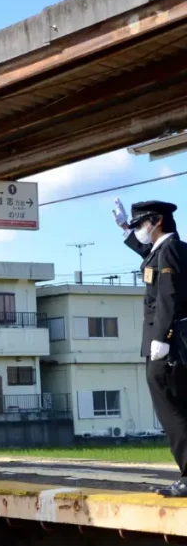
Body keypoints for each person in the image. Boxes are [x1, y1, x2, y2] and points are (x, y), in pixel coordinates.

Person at [115, 199, 187, 496]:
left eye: (140, 224)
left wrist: (162, 337)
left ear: (157, 221)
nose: (139, 229)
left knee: (171, 408)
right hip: (177, 339)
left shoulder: (168, 250)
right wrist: (124, 229)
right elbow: (149, 256)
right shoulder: (172, 248)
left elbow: (168, 295)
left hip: (168, 343)